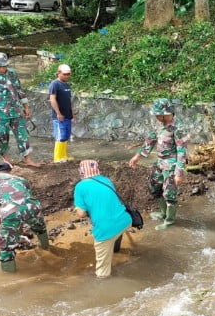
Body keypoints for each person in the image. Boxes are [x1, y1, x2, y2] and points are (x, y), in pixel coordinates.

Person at [128, 99, 188, 230]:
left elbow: (182, 152)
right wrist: (137, 156)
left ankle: (170, 220)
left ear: (166, 113)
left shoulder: (178, 129)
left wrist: (179, 173)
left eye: (158, 114)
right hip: (160, 163)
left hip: (171, 165)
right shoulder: (158, 125)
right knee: (154, 187)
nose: (155, 116)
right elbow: (150, 141)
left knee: (169, 193)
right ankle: (163, 213)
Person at [0, 162, 49, 273]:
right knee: (40, 229)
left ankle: (10, 275)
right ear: (10, 171)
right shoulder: (21, 179)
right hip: (33, 207)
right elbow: (24, 197)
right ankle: (47, 249)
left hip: (11, 212)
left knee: (6, 247)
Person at [73, 160, 132, 278]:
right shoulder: (106, 180)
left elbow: (81, 214)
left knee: (102, 272)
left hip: (105, 231)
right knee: (116, 230)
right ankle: (115, 248)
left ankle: (104, 286)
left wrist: (77, 208)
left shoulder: (80, 186)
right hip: (125, 220)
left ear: (81, 172)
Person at [0, 52, 39, 167]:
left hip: (16, 111)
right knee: (1, 136)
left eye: (4, 66)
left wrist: (26, 107)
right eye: (0, 66)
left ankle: (27, 159)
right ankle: (6, 159)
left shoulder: (12, 74)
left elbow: (19, 90)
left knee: (23, 135)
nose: (3, 68)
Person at [49, 64, 75, 162]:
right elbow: (52, 99)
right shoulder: (54, 84)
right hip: (59, 116)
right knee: (60, 136)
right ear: (59, 73)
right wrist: (58, 113)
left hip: (67, 115)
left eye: (69, 74)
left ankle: (64, 156)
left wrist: (72, 114)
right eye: (65, 74)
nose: (67, 76)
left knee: (65, 136)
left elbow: (68, 100)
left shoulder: (66, 85)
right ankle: (57, 158)